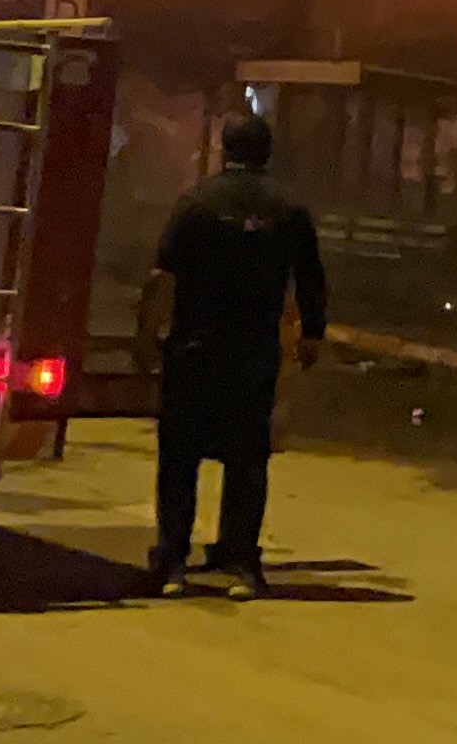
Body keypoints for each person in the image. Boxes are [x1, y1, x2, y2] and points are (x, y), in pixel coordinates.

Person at [139, 111, 325, 598]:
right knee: (247, 457)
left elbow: (162, 278)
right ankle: (240, 562)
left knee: (179, 456)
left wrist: (145, 338)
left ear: (224, 149)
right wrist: (312, 336)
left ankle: (173, 561)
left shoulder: (196, 203)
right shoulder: (289, 209)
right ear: (267, 152)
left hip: (194, 347)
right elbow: (310, 278)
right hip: (253, 353)